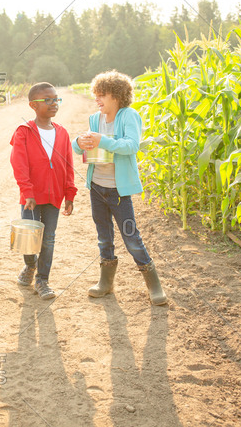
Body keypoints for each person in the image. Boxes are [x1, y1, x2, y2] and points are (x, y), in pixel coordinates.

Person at [72, 70, 167, 305]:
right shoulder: (96, 119)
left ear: (116, 95)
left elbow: (131, 146)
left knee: (130, 236)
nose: (97, 99)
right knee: (103, 236)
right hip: (97, 188)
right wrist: (79, 143)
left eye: (101, 95)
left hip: (118, 191)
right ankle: (106, 283)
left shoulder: (128, 116)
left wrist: (102, 140)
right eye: (96, 95)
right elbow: (80, 149)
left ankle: (153, 283)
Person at [10, 82, 77, 300]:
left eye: (56, 99)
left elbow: (68, 165)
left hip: (54, 197)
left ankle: (42, 279)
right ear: (33, 105)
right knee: (28, 238)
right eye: (47, 100)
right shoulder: (24, 132)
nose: (53, 103)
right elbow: (18, 164)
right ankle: (30, 266)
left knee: (48, 239)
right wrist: (27, 191)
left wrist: (69, 193)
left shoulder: (63, 133)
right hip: (30, 197)